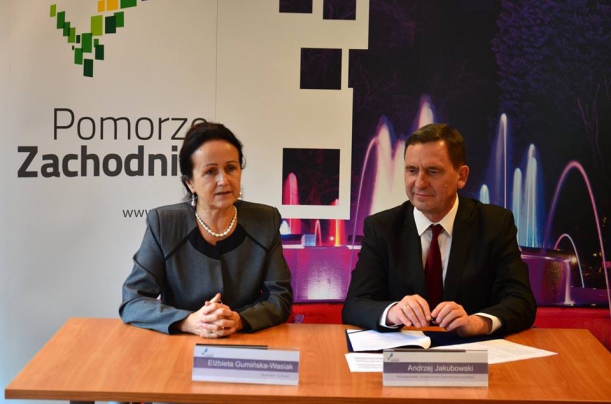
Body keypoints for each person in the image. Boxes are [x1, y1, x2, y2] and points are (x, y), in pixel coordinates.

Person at [342, 123, 536, 337]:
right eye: (412, 170)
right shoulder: (381, 228)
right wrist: (393, 312)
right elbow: (355, 305)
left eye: (433, 171)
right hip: (403, 352)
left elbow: (521, 301)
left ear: (461, 176)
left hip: (473, 351)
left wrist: (477, 323)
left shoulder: (495, 224)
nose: (419, 183)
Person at [119, 121, 293, 338]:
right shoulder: (164, 224)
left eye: (231, 168)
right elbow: (133, 301)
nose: (224, 180)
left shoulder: (265, 220)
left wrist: (238, 320)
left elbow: (280, 298)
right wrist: (187, 321)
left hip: (244, 342)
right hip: (180, 345)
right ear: (190, 182)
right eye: (210, 171)